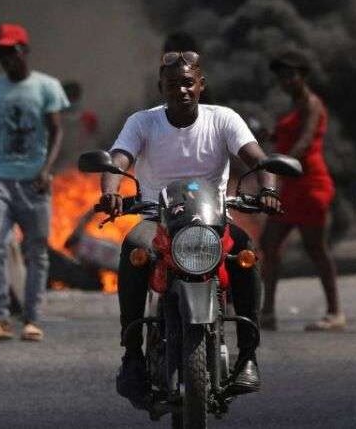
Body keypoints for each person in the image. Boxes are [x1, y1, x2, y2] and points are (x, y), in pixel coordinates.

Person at [103, 50, 280, 405]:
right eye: (172, 85)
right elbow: (117, 159)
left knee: (246, 254)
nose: (181, 90)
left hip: (212, 220)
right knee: (133, 250)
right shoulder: (142, 122)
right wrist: (110, 192)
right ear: (161, 88)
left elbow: (257, 158)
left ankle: (248, 356)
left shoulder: (223, 119)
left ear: (201, 85)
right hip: (157, 219)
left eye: (188, 83)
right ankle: (132, 356)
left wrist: (268, 189)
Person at [0, 24, 68, 341]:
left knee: (37, 252)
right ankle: (0, 317)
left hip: (34, 181)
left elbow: (57, 132)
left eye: (11, 52)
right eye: (0, 53)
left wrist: (46, 169)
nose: (6, 59)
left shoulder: (47, 87)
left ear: (24, 51)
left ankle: (33, 319)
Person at [259, 50, 343, 332]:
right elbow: (286, 137)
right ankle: (267, 312)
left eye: (290, 75)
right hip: (290, 185)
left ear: (303, 76)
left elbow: (306, 140)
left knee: (316, 248)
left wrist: (283, 161)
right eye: (281, 76)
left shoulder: (311, 104)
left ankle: (335, 313)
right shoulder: (294, 105)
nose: (285, 80)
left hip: (309, 184)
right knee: (269, 244)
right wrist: (268, 136)